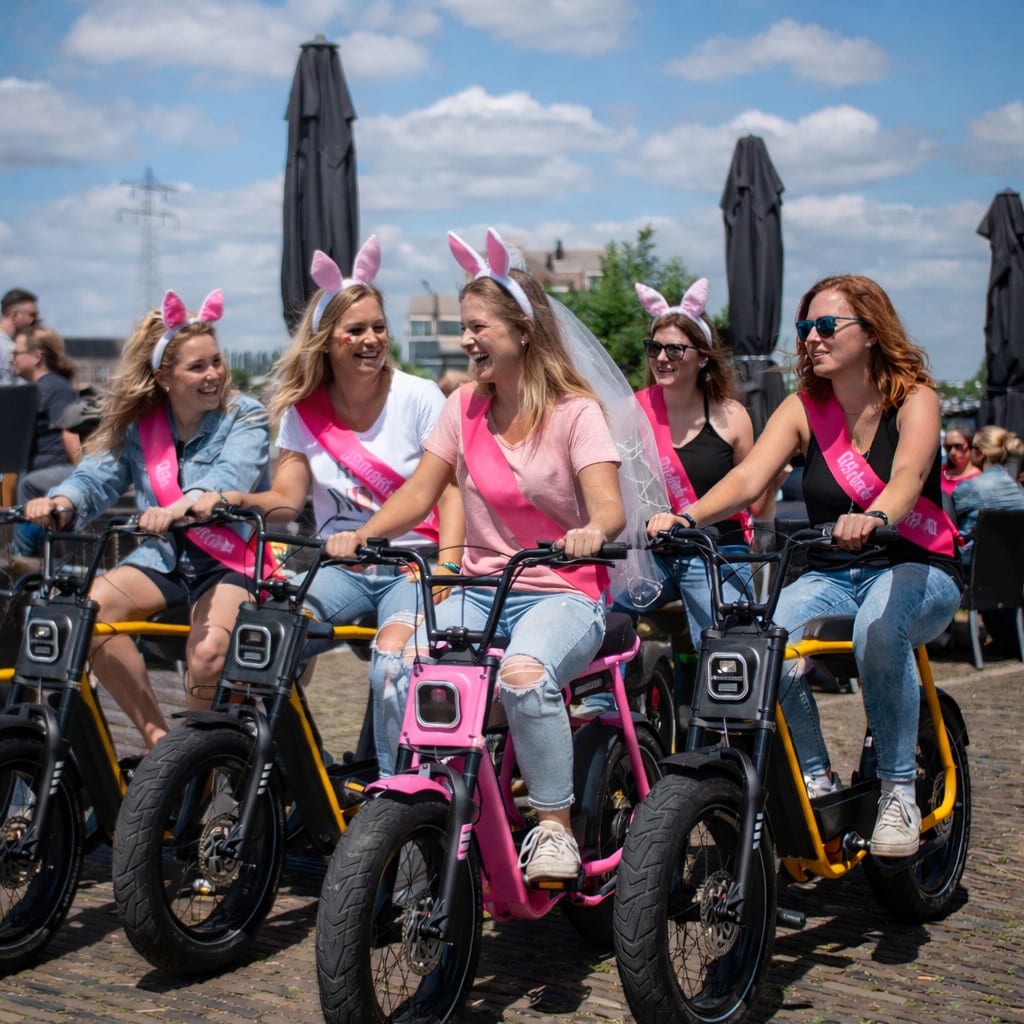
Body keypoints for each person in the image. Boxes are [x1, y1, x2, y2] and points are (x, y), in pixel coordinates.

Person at [326, 228, 627, 882]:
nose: (467, 340)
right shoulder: (462, 406)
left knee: (523, 673)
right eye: (464, 328)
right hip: (482, 588)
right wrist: (367, 533)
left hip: (564, 591)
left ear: (523, 331)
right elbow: (419, 493)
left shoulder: (576, 412)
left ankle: (553, 827)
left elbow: (610, 509)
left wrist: (591, 532)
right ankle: (401, 810)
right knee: (396, 665)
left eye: (478, 327)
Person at [651, 274, 963, 859]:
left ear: (869, 332)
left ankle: (898, 790)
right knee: (757, 644)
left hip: (917, 568)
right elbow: (747, 479)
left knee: (880, 627)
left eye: (826, 326)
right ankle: (815, 779)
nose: (812, 339)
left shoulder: (914, 398)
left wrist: (873, 515)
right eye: (805, 328)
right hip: (828, 576)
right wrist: (687, 516)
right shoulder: (802, 407)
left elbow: (908, 480)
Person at [199, 238, 462, 776]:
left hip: (413, 565)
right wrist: (232, 500)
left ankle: (398, 804)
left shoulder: (419, 396)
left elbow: (452, 491)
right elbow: (287, 500)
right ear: (328, 340)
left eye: (378, 327)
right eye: (357, 330)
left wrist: (450, 570)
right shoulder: (303, 411)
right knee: (267, 640)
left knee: (392, 670)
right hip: (338, 567)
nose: (372, 340)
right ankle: (278, 778)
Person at [26, 290, 271, 750]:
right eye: (197, 367)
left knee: (207, 653)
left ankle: (197, 758)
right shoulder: (142, 426)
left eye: (216, 362)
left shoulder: (245, 415)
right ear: (163, 377)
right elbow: (96, 477)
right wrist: (61, 502)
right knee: (90, 615)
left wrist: (186, 504)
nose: (213, 374)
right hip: (163, 558)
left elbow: (229, 475)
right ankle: (160, 744)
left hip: (227, 560)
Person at [624, 276, 770, 641]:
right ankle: (611, 697)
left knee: (727, 638)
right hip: (652, 555)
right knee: (594, 611)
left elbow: (755, 497)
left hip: (717, 551)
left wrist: (774, 479)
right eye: (653, 348)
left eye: (675, 350)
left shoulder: (732, 415)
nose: (661, 358)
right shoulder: (631, 411)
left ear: (702, 357)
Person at [9, 325, 81, 568]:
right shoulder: (32, 390)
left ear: (37, 356)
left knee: (30, 484)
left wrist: (83, 475)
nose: (12, 359)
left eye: (17, 353)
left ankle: (26, 560)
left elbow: (70, 432)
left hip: (54, 470)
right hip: (32, 472)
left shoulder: (56, 388)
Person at [951, 424, 1024, 656]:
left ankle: (941, 639)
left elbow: (951, 523)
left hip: (974, 571)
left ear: (980, 453)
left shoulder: (968, 489)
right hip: (1013, 572)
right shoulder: (1018, 490)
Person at [0, 288, 39, 386]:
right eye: (32, 315)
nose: (36, 320)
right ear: (14, 315)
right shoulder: (7, 347)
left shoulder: (10, 346)